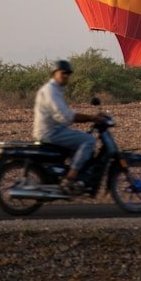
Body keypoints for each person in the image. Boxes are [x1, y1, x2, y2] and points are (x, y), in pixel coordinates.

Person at [33, 60, 107, 193]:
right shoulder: (50, 91)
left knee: (83, 139)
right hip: (50, 132)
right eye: (63, 73)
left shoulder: (57, 90)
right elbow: (65, 115)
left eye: (68, 73)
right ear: (54, 73)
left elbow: (64, 116)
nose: (66, 75)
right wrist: (91, 118)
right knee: (88, 140)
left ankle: (77, 175)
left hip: (56, 129)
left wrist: (88, 118)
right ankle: (71, 177)